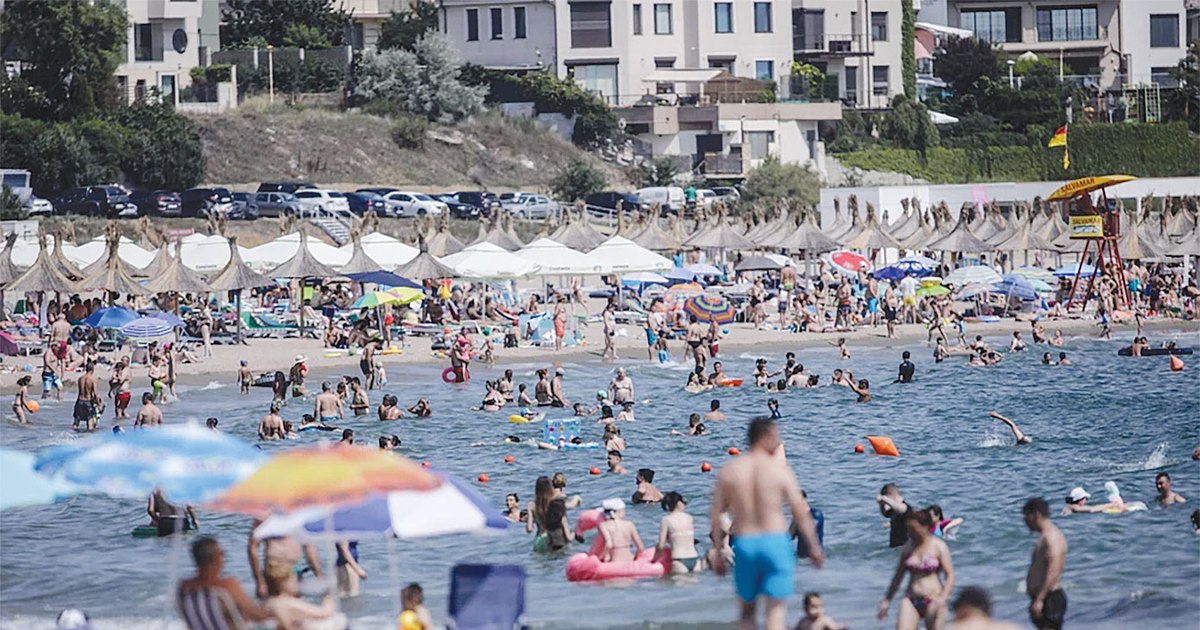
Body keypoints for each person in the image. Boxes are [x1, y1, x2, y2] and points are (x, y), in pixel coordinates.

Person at [710, 418, 823, 630]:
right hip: (775, 542)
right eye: (776, 436)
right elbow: (800, 511)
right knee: (776, 611)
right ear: (765, 437)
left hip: (745, 544)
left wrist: (718, 550)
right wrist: (814, 546)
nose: (778, 441)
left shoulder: (730, 470)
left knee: (747, 611)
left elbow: (716, 513)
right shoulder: (778, 470)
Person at [878, 509, 956, 630]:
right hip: (911, 599)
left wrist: (943, 598)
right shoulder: (908, 547)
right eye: (908, 529)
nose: (910, 533)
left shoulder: (938, 546)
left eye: (913, 529)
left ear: (925, 527)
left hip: (934, 599)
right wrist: (887, 600)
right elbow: (898, 576)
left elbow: (950, 575)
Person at [177, 537, 271, 627]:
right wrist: (275, 610)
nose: (224, 557)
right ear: (215, 558)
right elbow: (255, 615)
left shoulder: (184, 588)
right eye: (222, 553)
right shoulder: (227, 585)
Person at [1024, 497, 1068, 630]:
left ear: (1036, 515)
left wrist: (1040, 599)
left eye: (1026, 517)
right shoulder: (1045, 536)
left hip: (1049, 598)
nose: (1025, 521)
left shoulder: (1051, 537)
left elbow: (1054, 568)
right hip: (1046, 598)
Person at [263, 564, 339, 630]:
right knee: (335, 620)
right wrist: (328, 595)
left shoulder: (269, 603)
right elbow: (324, 613)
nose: (296, 584)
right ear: (284, 584)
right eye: (293, 581)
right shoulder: (289, 603)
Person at [654, 491, 703, 574]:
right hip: (695, 559)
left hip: (679, 560)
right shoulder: (689, 518)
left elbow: (661, 545)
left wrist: (654, 559)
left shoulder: (666, 520)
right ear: (679, 503)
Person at [948, 587, 1023, 630]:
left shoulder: (953, 628)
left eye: (955, 610)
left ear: (965, 609)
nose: (954, 617)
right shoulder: (1012, 628)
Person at [597, 498, 644, 562]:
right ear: (621, 511)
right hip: (629, 560)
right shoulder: (630, 524)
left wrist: (600, 558)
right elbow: (640, 548)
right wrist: (635, 558)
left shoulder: (604, 525)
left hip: (615, 562)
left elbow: (609, 544)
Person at [878, 483, 913, 548]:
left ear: (894, 495)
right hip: (895, 545)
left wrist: (884, 499)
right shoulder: (893, 509)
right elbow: (886, 514)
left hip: (905, 545)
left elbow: (900, 508)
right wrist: (881, 505)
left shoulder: (905, 507)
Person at [73, 362, 102, 432]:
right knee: (90, 423)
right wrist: (99, 404)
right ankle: (88, 439)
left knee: (76, 422)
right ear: (92, 369)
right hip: (88, 401)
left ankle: (73, 436)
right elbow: (95, 394)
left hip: (79, 401)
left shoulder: (80, 379)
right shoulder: (93, 379)